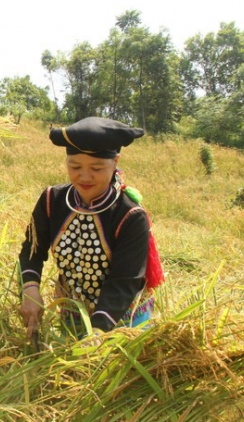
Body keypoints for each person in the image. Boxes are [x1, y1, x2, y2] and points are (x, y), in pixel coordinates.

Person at [17, 117, 164, 342]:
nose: (84, 176)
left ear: (115, 162)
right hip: (72, 314)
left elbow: (124, 281)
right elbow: (31, 251)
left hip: (123, 319)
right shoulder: (51, 200)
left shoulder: (130, 215)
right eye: (74, 166)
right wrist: (30, 289)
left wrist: (96, 334)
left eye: (96, 168)